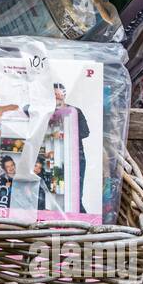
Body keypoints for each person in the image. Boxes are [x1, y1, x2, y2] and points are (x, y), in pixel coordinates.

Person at [52, 82, 91, 213]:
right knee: (55, 193)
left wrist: (64, 133)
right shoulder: (45, 111)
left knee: (76, 195)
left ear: (64, 94)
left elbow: (85, 132)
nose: (57, 96)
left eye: (59, 94)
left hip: (75, 157)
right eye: (54, 94)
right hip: (53, 156)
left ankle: (82, 221)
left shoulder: (75, 111)